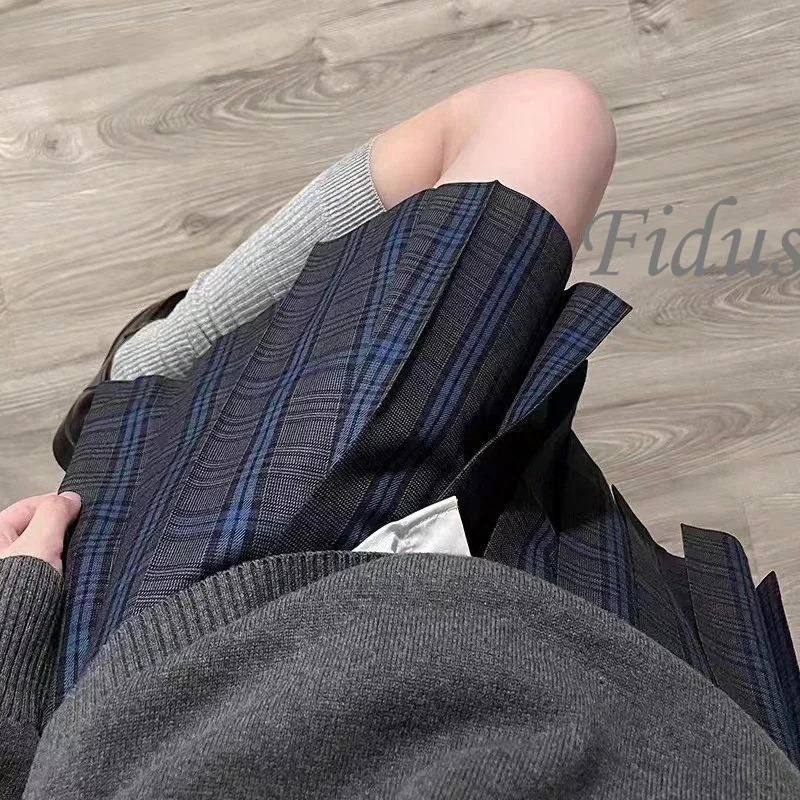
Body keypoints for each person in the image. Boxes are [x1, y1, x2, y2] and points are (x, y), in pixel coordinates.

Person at [1, 69, 798, 799]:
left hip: (196, 665)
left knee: (548, 117)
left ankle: (145, 389)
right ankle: (159, 398)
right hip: (640, 696)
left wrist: (12, 621)